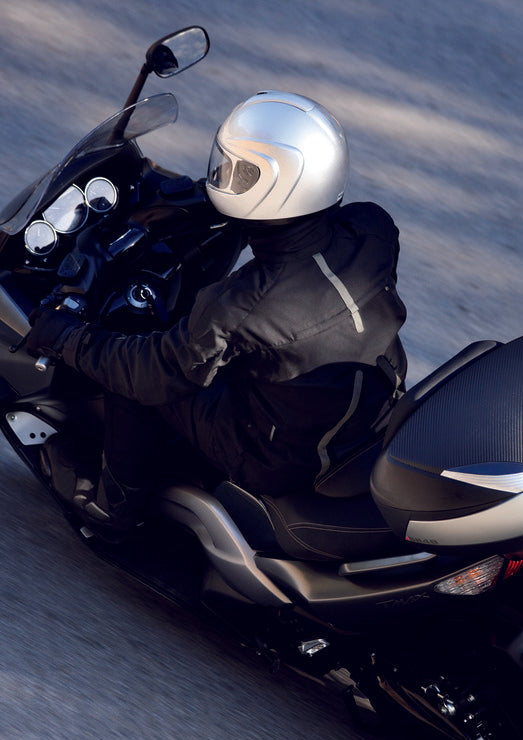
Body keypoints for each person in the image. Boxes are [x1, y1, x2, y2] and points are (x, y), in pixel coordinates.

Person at [26, 90, 408, 541]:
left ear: (272, 185)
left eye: (238, 170)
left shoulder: (243, 303)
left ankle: (112, 509)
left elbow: (148, 373)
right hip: (367, 411)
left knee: (132, 362)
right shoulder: (371, 228)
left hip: (276, 458)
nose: (224, 175)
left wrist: (64, 336)